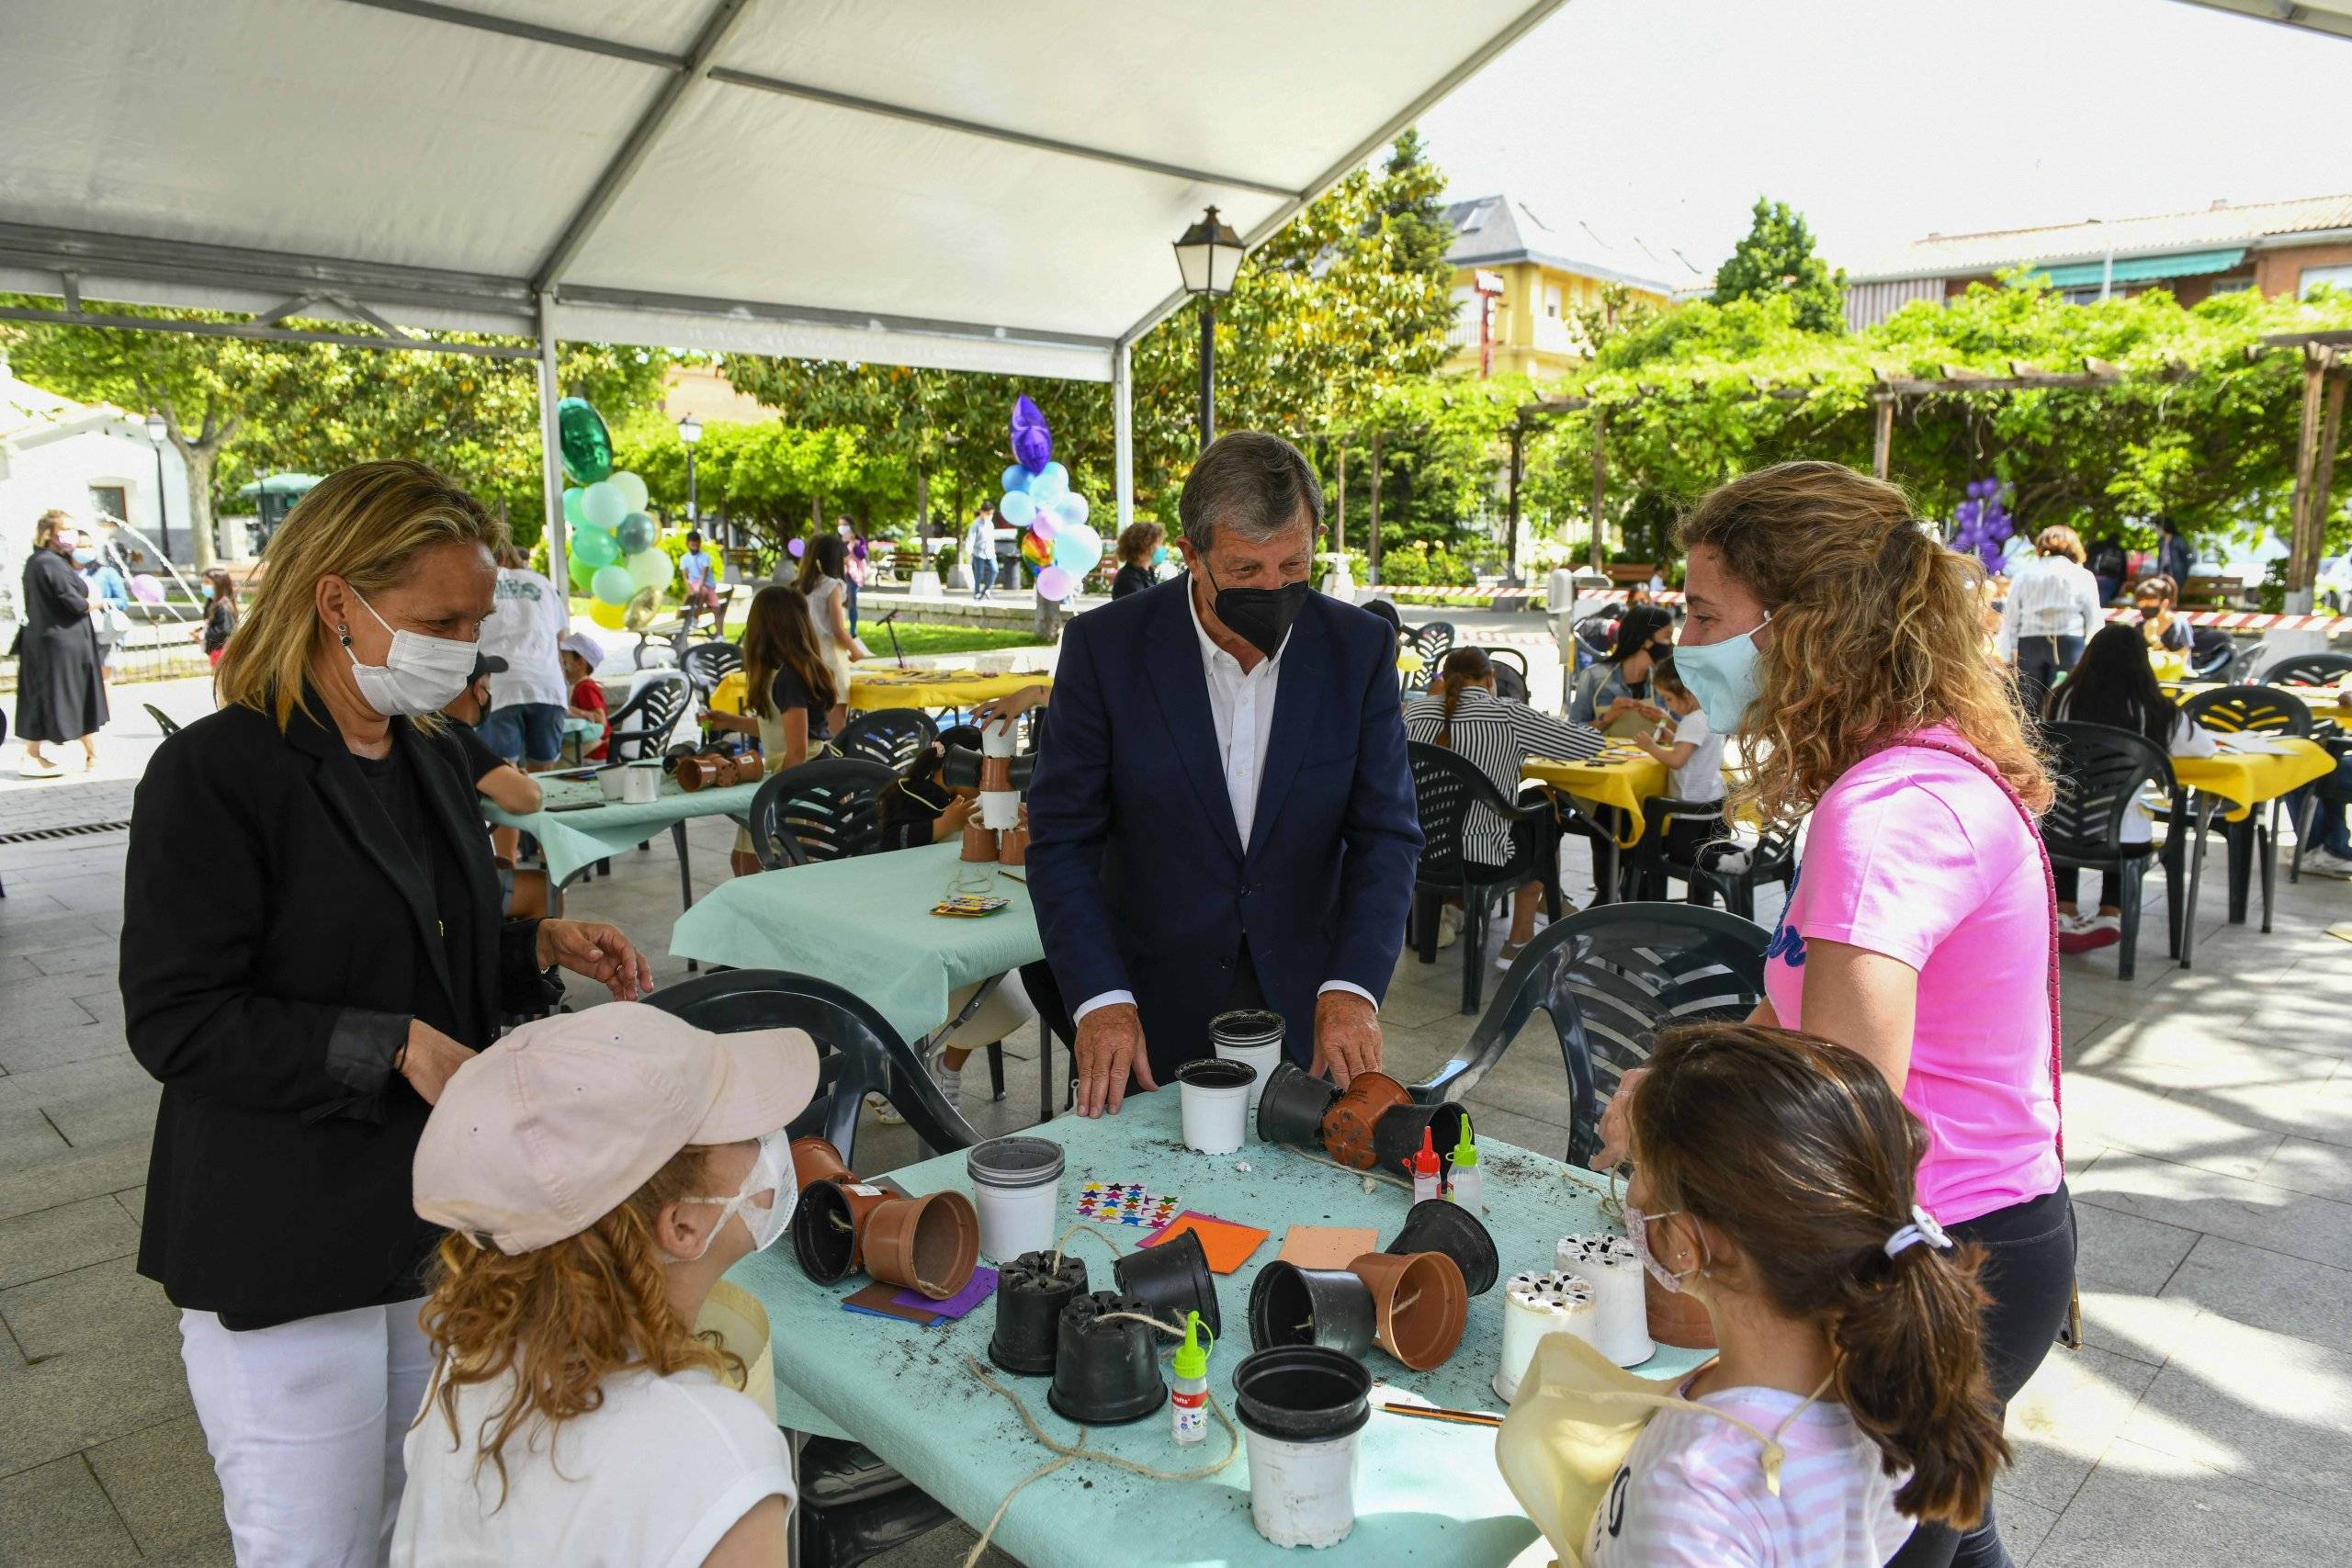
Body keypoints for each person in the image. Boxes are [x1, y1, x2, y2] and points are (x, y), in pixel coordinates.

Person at [118, 458, 655, 1566]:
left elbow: (423, 942)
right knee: (314, 1545)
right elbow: (178, 1018)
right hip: (289, 1237)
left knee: (436, 1527)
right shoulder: (216, 773)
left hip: (437, 1232)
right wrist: (391, 1045)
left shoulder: (428, 751)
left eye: (473, 618)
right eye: (438, 619)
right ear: (335, 601)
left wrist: (532, 945)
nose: (462, 647)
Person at [1597, 460, 2072, 1568]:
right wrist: (1668, 1082)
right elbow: (1802, 1017)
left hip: (1937, 1253)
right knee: (1948, 1530)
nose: (1684, 640)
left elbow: (1830, 1125)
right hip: (1980, 1233)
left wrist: (1672, 1144)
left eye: (1706, 614)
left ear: (1800, 630)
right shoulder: (1916, 771)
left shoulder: (1886, 819)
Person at [1027, 431, 1421, 1111]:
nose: (1273, 591)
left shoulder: (1357, 651)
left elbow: (1387, 835)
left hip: (1308, 1003)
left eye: (1293, 568)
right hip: (1146, 1010)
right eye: (1245, 572)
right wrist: (1101, 997)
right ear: (1191, 556)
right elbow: (1062, 838)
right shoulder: (1107, 649)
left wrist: (1353, 986)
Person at [393, 1002, 817, 1566]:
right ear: (684, 1224)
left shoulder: (473, 1361)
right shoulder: (717, 1458)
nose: (770, 1140)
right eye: (743, 1129)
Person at [1594, 1023, 2007, 1567]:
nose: (1634, 1192)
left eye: (1637, 1170)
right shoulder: (1887, 1390)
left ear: (1688, 1242)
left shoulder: (1694, 1497)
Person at [1403, 647, 1603, 967]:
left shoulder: (1414, 713)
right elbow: (1587, 745)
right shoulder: (1507, 715)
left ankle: (1452, 914)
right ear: (1491, 678)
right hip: (1484, 859)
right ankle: (1519, 939)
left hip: (1419, 852)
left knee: (1526, 806)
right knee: (1545, 811)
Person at [2040, 625, 2221, 947]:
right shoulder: (2158, 710)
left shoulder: (2060, 698)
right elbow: (2205, 749)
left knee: (2070, 818)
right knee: (2127, 823)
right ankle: (2111, 913)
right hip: (2122, 835)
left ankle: (2063, 913)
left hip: (2060, 830)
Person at [698, 585, 835, 876]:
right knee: (744, 861)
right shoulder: (781, 672)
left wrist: (773, 800)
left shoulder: (789, 677)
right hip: (792, 773)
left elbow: (797, 750)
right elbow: (778, 731)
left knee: (789, 864)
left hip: (803, 780)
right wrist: (731, 721)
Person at [445, 652, 549, 919]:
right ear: (479, 690)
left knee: (504, 868)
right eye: (489, 688)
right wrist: (518, 779)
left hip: (420, 870)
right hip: (445, 885)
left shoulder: (422, 726)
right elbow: (525, 799)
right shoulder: (456, 735)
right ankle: (519, 958)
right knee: (544, 889)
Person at [17, 510, 108, 776]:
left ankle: (34, 753)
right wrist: (94, 603)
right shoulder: (48, 563)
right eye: (65, 529)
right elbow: (72, 601)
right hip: (62, 644)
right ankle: (89, 753)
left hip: (54, 641)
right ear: (50, 533)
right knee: (69, 695)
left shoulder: (42, 561)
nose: (71, 534)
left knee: (52, 696)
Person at [1627, 651, 1732, 868]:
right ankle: (1733, 859)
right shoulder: (1709, 714)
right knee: (1702, 848)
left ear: (1687, 691)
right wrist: (1673, 735)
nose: (1669, 705)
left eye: (1669, 699)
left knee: (1681, 852)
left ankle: (1728, 862)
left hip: (1690, 802)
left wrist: (1651, 746)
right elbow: (1694, 749)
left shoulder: (1692, 720)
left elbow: (1677, 760)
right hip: (1711, 798)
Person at [475, 545, 570, 774]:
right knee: (544, 769)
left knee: (502, 771)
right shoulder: (542, 582)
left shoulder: (480, 583)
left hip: (501, 687)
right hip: (548, 683)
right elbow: (560, 638)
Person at [1997, 525, 2104, 714]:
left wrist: (2008, 652)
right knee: (2066, 702)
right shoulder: (2082, 575)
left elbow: (2011, 617)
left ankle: (2029, 742)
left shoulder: (2024, 575)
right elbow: (2094, 617)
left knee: (2028, 707)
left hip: (2030, 643)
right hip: (2069, 642)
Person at [1567, 603, 1673, 737]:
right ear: (1645, 640)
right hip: (1603, 758)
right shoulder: (1593, 677)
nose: (1671, 645)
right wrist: (1606, 718)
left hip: (1651, 758)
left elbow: (1681, 733)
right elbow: (1572, 733)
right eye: (1667, 637)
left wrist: (1664, 721)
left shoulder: (1665, 682)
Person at [796, 531, 865, 734]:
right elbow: (838, 630)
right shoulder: (832, 585)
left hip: (807, 656)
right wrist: (856, 651)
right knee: (836, 726)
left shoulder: (799, 587)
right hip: (831, 658)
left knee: (812, 725)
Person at [79, 536, 132, 683]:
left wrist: (101, 603)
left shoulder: (106, 573)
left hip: (104, 633)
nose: (84, 550)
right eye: (80, 546)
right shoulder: (67, 573)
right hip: (77, 633)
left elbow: (123, 602)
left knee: (102, 682)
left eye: (89, 546)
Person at [560, 630, 610, 762]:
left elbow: (600, 719)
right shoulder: (576, 686)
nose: (560, 663)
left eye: (564, 657)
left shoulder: (585, 687)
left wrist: (571, 711)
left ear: (581, 663)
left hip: (593, 754)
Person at [2132, 574, 2190, 658]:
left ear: (2164, 603)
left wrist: (2154, 641)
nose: (2145, 606)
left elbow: (2182, 658)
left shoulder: (2179, 625)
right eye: (2141, 601)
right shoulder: (2139, 627)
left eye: (2150, 601)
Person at [1112, 522, 1163, 600]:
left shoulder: (1148, 572)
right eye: (1158, 543)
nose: (1161, 547)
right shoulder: (1129, 578)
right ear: (1144, 547)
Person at [198, 569, 238, 669]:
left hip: (223, 652)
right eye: (202, 582)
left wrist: (204, 635)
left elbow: (224, 629)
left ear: (219, 584)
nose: (203, 585)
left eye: (207, 582)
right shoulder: (214, 604)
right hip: (216, 652)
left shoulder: (223, 606)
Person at [678, 529, 721, 616]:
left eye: (697, 545)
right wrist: (690, 589)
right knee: (703, 591)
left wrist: (701, 587)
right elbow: (685, 577)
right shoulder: (684, 558)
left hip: (706, 585)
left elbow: (704, 575)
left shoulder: (705, 557)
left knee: (717, 608)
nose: (695, 548)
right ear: (687, 544)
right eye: (693, 545)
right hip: (695, 584)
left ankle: (719, 630)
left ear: (700, 544)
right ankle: (696, 618)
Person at [837, 517, 868, 634]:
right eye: (840, 524)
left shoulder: (859, 540)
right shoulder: (838, 540)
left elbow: (861, 555)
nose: (841, 527)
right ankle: (839, 626)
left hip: (853, 575)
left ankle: (853, 629)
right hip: (840, 573)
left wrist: (853, 544)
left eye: (844, 524)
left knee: (851, 601)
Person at [967, 501, 999, 601]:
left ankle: (986, 590)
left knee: (995, 570)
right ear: (982, 512)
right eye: (988, 514)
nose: (989, 516)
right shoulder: (975, 525)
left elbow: (991, 538)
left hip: (990, 553)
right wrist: (968, 551)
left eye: (991, 514)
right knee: (979, 574)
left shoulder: (990, 524)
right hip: (979, 553)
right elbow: (970, 539)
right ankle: (977, 593)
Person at [2086, 533, 2128, 608]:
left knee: (2088, 602)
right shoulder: (2120, 550)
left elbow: (2086, 560)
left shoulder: (2097, 545)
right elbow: (2123, 572)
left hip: (2092, 577)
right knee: (2100, 606)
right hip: (2109, 580)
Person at [2154, 514, 2194, 591]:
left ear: (2164, 527)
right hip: (2163, 573)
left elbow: (2186, 558)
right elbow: (2161, 559)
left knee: (2174, 596)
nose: (2156, 530)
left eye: (2158, 527)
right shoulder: (2161, 541)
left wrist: (2183, 574)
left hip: (2176, 574)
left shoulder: (2179, 540)